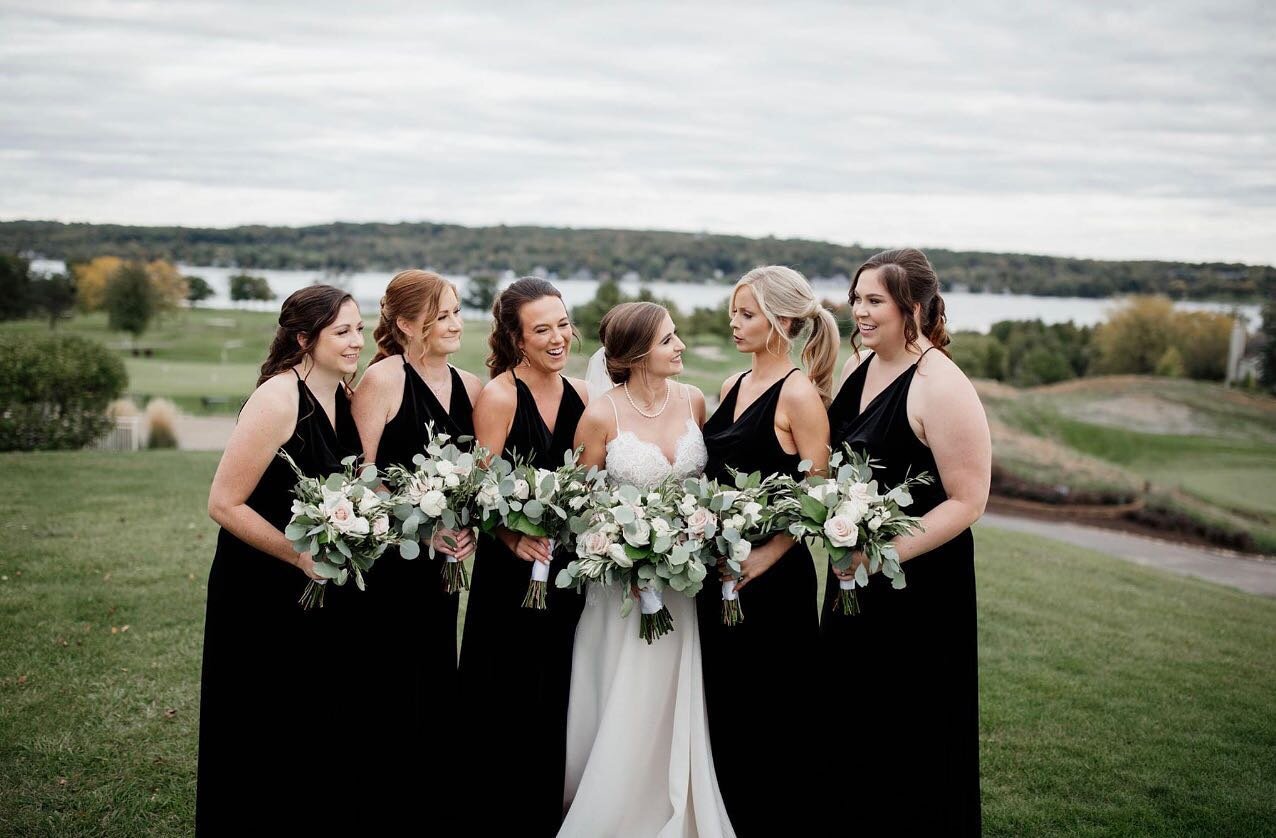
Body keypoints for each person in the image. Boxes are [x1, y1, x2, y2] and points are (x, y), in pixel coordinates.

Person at [822, 248, 990, 835]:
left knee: (912, 722)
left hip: (919, 585)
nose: (860, 314)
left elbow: (969, 501)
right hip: (851, 571)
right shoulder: (857, 368)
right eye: (857, 300)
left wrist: (881, 552)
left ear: (913, 308)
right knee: (851, 714)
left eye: (875, 302)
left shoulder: (942, 385)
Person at [561, 301, 735, 837]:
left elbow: (705, 489)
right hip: (621, 587)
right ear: (637, 353)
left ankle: (676, 802)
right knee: (625, 689)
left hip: (682, 586)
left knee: (673, 690)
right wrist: (624, 549)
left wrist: (690, 535)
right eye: (668, 339)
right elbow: (579, 505)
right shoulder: (600, 414)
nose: (680, 345)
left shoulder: (694, 401)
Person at [197, 285, 364, 834]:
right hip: (259, 589)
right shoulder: (278, 398)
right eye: (342, 331)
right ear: (303, 338)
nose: (356, 341)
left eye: (359, 329)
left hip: (316, 589)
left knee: (310, 723)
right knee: (260, 723)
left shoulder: (342, 396)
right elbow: (223, 503)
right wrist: (297, 556)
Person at [697, 266, 836, 835]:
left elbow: (818, 490)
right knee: (723, 703)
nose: (734, 323)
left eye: (746, 314)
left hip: (772, 580)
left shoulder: (799, 394)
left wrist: (769, 554)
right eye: (733, 312)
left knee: (770, 709)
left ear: (780, 322)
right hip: (717, 571)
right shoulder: (732, 385)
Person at [348, 269, 483, 830]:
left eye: (456, 312)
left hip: (442, 566)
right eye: (442, 314)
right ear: (406, 323)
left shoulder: (470, 386)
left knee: (435, 671)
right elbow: (360, 479)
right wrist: (419, 525)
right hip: (385, 565)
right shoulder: (382, 380)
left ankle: (430, 799)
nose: (455, 323)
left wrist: (469, 521)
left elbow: (478, 474)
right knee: (386, 679)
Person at [456, 277, 589, 837]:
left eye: (562, 323)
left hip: (568, 574)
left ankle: (545, 812)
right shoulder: (502, 396)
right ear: (515, 337)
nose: (558, 337)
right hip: (509, 578)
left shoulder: (583, 394)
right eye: (542, 329)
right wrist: (513, 538)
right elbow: (474, 493)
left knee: (556, 690)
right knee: (505, 693)